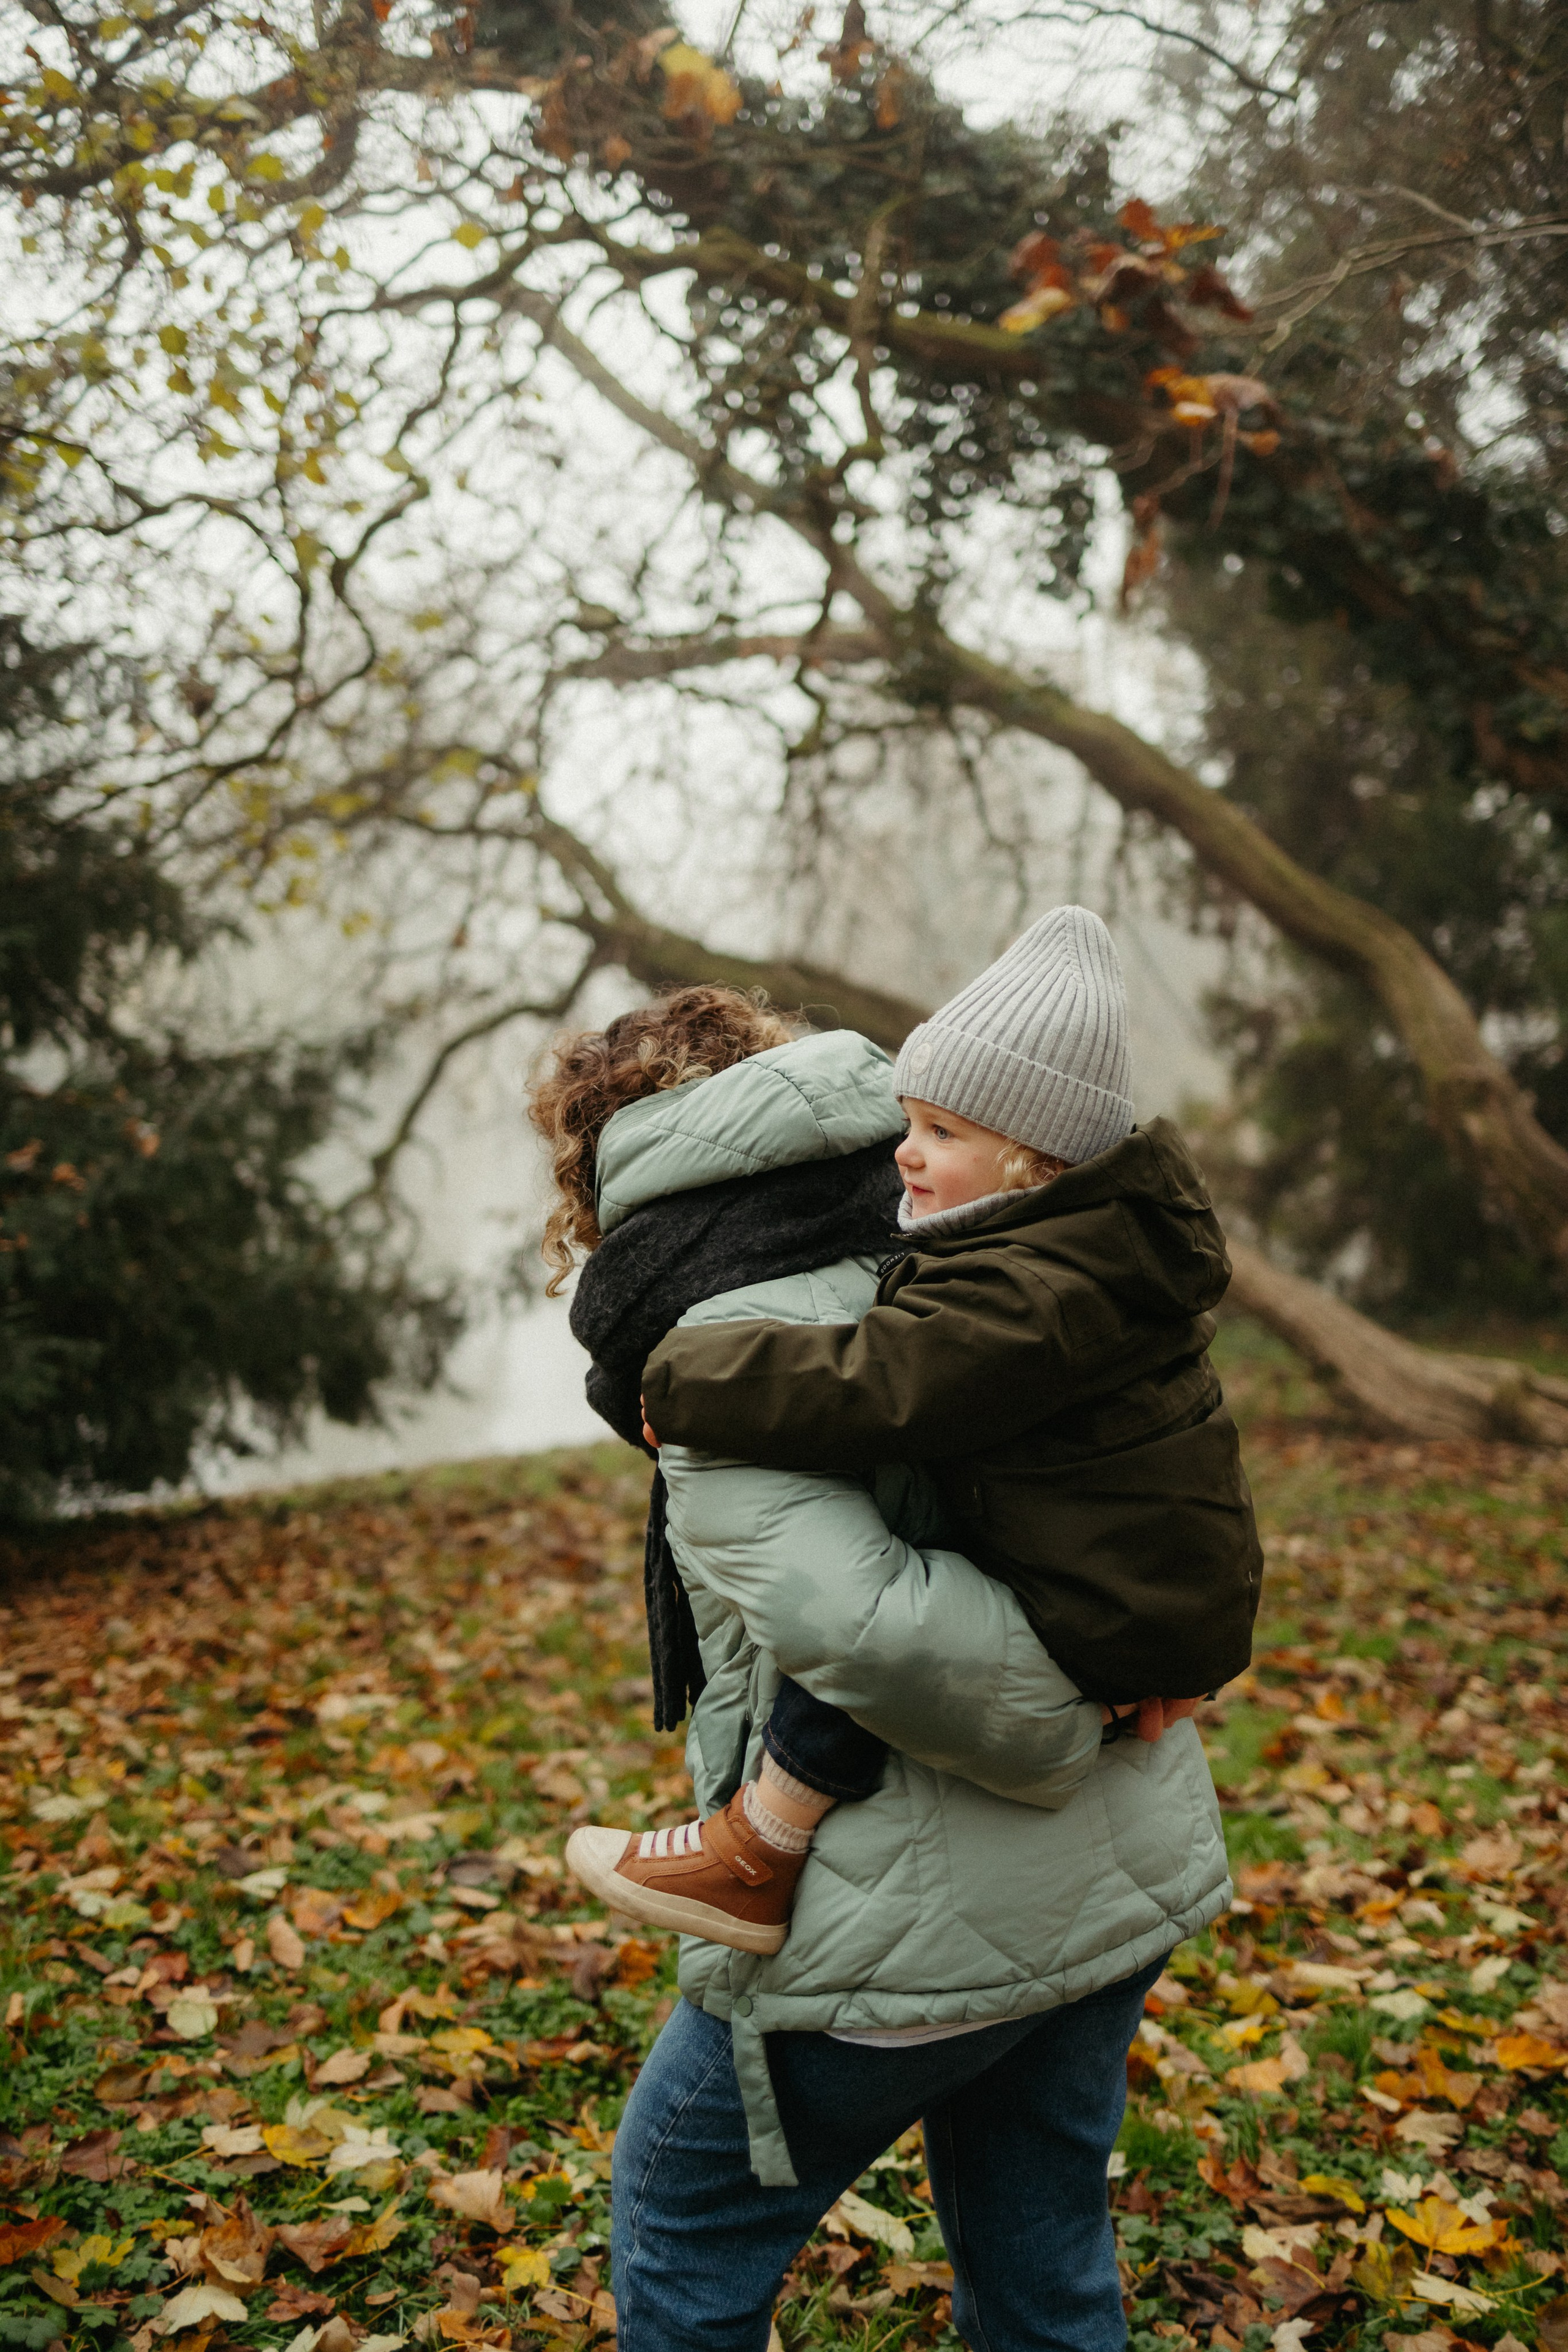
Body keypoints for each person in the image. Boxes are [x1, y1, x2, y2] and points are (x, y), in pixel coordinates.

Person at [526, 971, 1232, 2352]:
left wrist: (1070, 1715)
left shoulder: (717, 1335)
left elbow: (872, 1632)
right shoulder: (968, 1235)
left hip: (903, 1921)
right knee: (1041, 2267)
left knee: (681, 2223)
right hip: (1110, 1885)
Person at [571, 908, 1259, 1953]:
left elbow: (876, 1382)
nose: (904, 1155)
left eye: (944, 1134)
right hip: (1155, 1582)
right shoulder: (1078, 1247)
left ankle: (762, 1840)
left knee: (887, 1588)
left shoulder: (1030, 1291)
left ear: (1032, 1162)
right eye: (909, 1122)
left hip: (1122, 1601)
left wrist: (690, 1377)